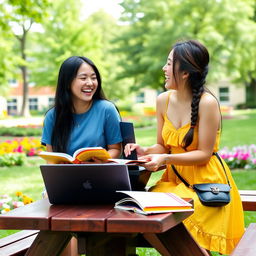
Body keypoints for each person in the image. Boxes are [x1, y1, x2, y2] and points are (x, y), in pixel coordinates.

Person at [125, 39, 244, 255]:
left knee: (182, 228)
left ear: (185, 72)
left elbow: (204, 155)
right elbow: (162, 146)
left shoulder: (207, 103)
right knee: (150, 216)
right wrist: (145, 150)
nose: (164, 68)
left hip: (206, 184)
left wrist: (167, 159)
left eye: (169, 63)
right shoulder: (163, 100)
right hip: (173, 181)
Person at [41, 56, 123, 256]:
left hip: (101, 180)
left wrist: (103, 158)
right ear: (68, 82)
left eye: (93, 77)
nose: (90, 83)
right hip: (65, 183)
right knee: (54, 217)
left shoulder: (106, 109)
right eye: (83, 78)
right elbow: (51, 157)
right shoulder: (53, 116)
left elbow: (116, 149)